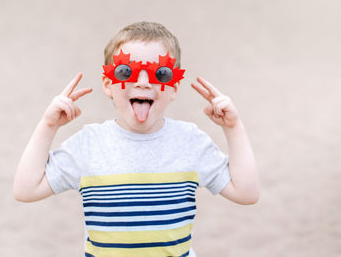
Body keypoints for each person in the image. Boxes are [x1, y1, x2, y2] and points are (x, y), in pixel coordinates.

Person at [13, 21, 259, 257]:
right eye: (125, 72)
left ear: (174, 87)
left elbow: (246, 192)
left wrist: (233, 127)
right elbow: (26, 188)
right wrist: (48, 126)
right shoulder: (89, 144)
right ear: (108, 84)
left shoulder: (190, 142)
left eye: (160, 74)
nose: (142, 83)